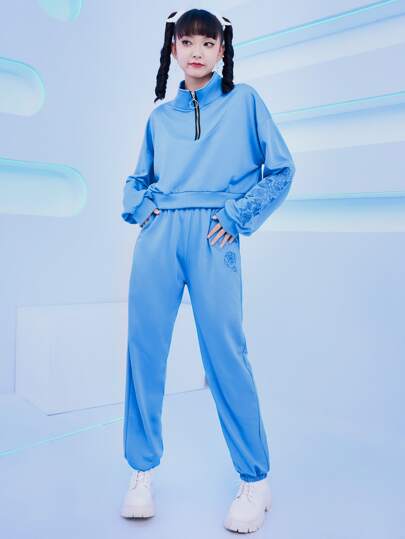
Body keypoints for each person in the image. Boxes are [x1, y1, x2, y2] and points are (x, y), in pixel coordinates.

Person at [120, 8, 296, 534]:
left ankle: (255, 479)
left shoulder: (245, 102)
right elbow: (137, 180)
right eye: (187, 41)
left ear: (222, 49)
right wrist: (142, 208)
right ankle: (141, 473)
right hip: (160, 237)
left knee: (224, 354)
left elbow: (281, 169)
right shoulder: (160, 118)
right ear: (173, 48)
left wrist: (237, 216)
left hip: (215, 233)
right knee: (144, 351)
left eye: (207, 42)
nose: (196, 51)